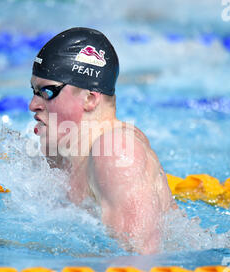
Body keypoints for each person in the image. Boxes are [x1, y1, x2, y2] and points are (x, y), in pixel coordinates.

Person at [29, 27, 176, 254]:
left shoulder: (117, 152)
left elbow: (140, 264)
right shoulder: (58, 150)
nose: (33, 105)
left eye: (47, 92)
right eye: (34, 91)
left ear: (89, 98)